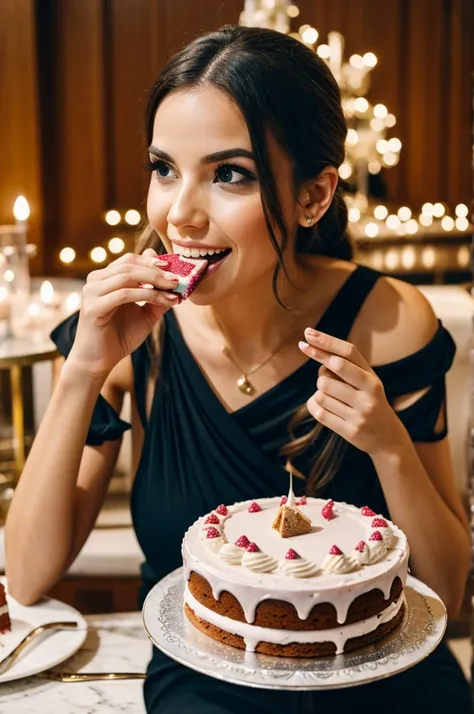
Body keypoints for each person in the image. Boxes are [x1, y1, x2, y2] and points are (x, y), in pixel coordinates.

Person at [5, 25, 471, 714]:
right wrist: (83, 369)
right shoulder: (129, 332)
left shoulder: (389, 323)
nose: (180, 214)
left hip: (385, 688)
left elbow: (446, 586)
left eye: (230, 174)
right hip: (202, 691)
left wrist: (389, 448)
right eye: (164, 169)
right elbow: (30, 570)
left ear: (313, 197)